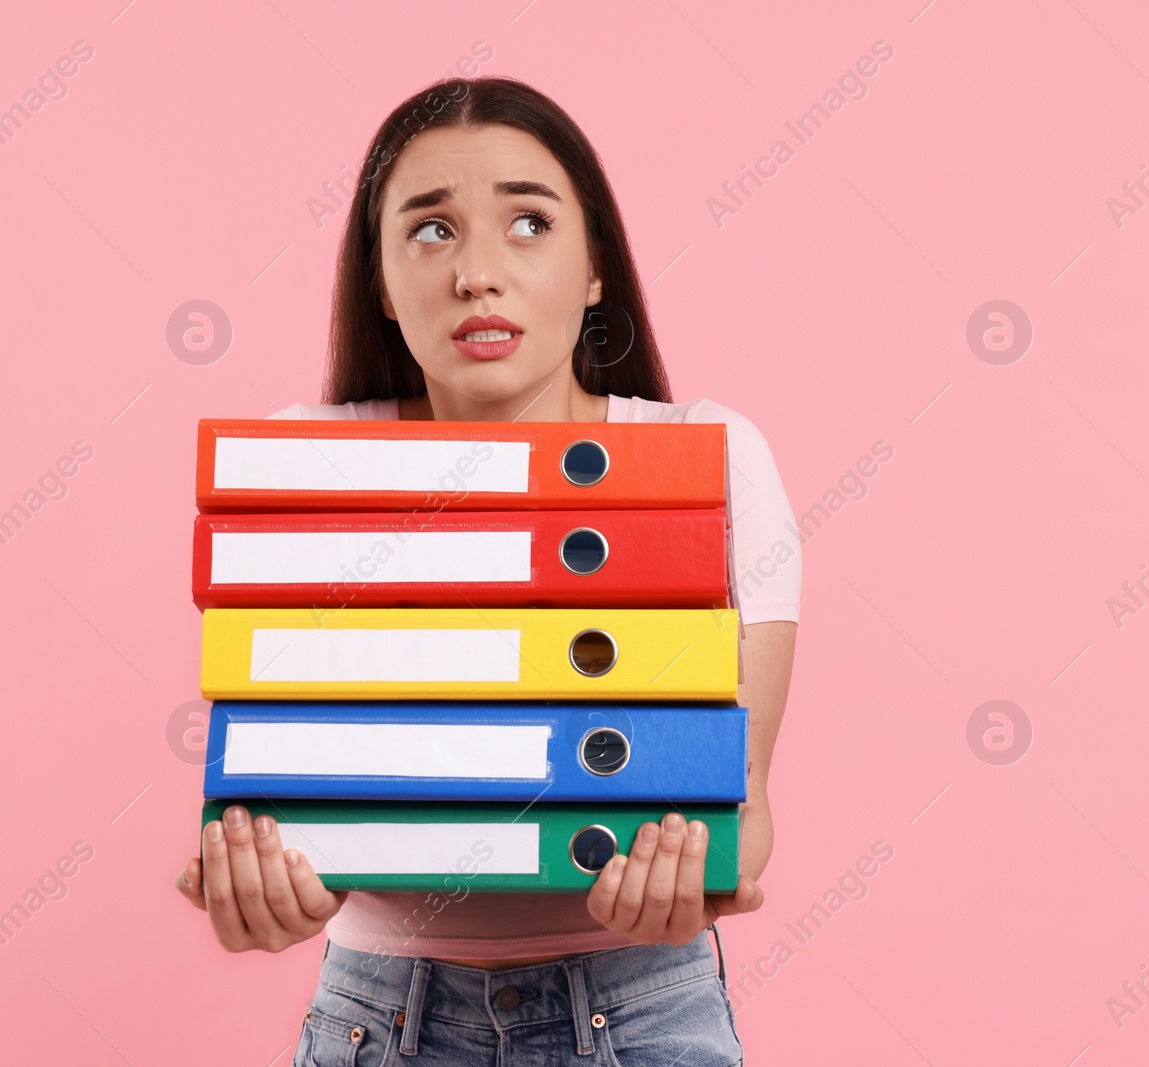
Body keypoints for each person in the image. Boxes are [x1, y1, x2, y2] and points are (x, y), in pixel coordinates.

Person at [174, 76, 800, 1066]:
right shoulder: (300, 468)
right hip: (379, 1020)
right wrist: (262, 880)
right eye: (430, 231)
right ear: (380, 280)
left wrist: (699, 873)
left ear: (595, 265)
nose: (477, 273)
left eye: (528, 223)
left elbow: (742, 808)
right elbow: (287, 777)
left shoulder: (713, 455)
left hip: (645, 1015)